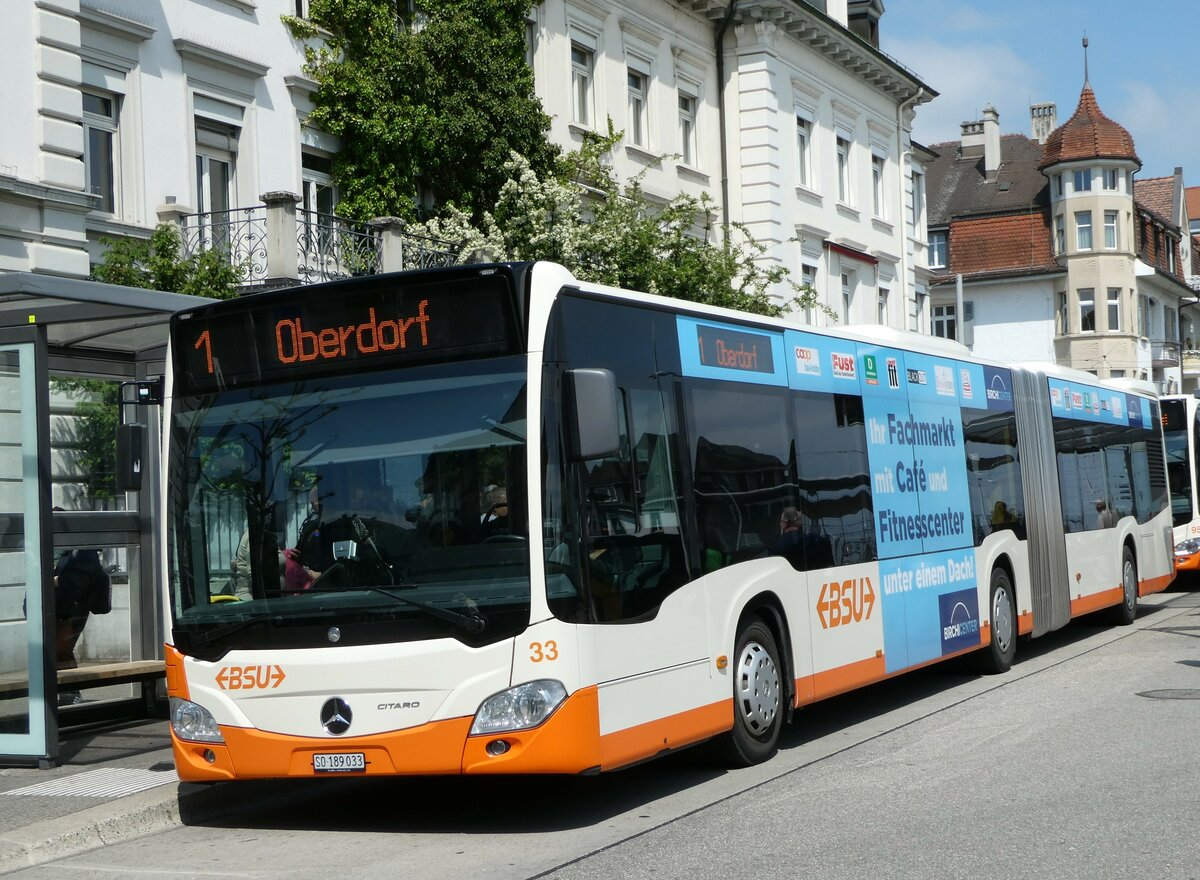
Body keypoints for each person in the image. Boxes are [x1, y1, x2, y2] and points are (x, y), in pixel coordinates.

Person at [53, 545, 111, 705]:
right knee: (51, 650)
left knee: (62, 648)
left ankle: (71, 692)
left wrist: (57, 581)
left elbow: (85, 576)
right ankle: (61, 692)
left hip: (75, 607)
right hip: (54, 605)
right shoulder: (49, 548)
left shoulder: (82, 550)